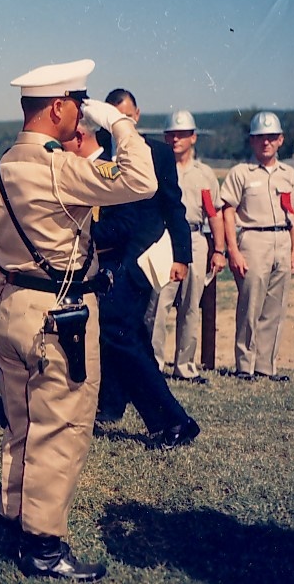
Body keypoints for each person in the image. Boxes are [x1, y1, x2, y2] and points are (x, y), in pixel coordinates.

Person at [0, 58, 157, 581]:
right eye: (77, 103)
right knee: (61, 430)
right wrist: (120, 123)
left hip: (13, 308)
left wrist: (13, 294)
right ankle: (44, 548)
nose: (81, 114)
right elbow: (141, 179)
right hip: (61, 315)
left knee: (22, 424)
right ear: (56, 106)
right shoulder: (58, 168)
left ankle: (15, 519)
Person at [93, 89, 198, 450]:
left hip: (139, 260)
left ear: (136, 115)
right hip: (108, 259)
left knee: (118, 333)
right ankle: (111, 405)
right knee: (126, 336)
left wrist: (182, 255)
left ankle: (172, 419)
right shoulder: (101, 154)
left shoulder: (157, 153)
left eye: (125, 116)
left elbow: (174, 208)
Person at [221, 111, 294, 382]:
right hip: (253, 240)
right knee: (250, 304)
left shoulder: (288, 174)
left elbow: (293, 214)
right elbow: (228, 211)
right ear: (252, 141)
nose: (265, 143)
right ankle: (244, 365)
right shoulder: (241, 173)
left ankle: (266, 366)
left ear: (280, 140)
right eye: (260, 138)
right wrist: (233, 249)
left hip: (281, 239)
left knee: (275, 307)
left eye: (271, 138)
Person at [144, 111, 226, 383]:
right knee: (159, 305)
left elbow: (214, 213)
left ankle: (185, 365)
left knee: (191, 305)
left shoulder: (204, 175)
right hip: (165, 239)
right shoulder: (156, 167)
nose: (175, 139)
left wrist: (219, 249)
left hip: (196, 238)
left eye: (181, 134)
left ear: (193, 137)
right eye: (171, 134)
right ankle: (153, 365)